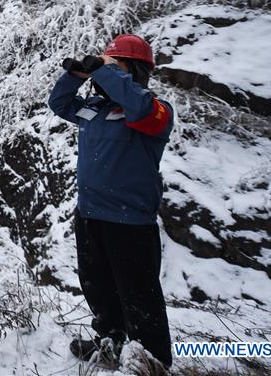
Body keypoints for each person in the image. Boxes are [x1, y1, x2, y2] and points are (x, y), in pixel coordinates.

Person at [47, 34, 174, 370]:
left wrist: (105, 70)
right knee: (99, 289)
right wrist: (76, 76)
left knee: (139, 297)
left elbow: (140, 107)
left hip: (130, 223)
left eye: (117, 67)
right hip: (89, 215)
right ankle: (110, 342)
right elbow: (59, 104)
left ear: (134, 72)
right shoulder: (94, 109)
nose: (105, 75)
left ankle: (151, 361)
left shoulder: (154, 111)